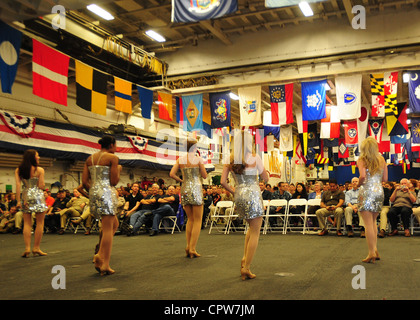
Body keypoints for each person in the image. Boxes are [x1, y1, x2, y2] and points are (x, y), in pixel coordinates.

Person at [221, 130, 269, 281]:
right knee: (255, 231)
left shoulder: (230, 159)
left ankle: (244, 259)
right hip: (253, 194)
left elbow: (222, 182)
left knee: (250, 228)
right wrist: (263, 175)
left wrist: (234, 190)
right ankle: (246, 268)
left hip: (239, 195)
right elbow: (265, 178)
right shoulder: (255, 157)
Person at [82, 135, 121, 276]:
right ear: (111, 144)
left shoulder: (89, 159)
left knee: (114, 224)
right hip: (107, 192)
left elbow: (84, 181)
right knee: (108, 229)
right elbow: (114, 181)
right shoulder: (112, 158)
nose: (116, 148)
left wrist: (94, 191)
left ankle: (101, 254)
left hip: (93, 192)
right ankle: (104, 262)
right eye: (115, 145)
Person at [169, 138, 207, 258]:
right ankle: (192, 248)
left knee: (190, 219)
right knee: (197, 220)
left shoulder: (180, 160)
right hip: (196, 188)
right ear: (195, 147)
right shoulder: (198, 159)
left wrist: (181, 180)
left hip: (185, 188)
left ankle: (188, 246)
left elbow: (171, 174)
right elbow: (205, 175)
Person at [357, 137, 388, 263]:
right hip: (379, 191)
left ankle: (371, 253)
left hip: (367, 192)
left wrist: (358, 184)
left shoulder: (362, 160)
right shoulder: (382, 160)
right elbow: (385, 179)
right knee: (374, 222)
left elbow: (363, 176)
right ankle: (374, 249)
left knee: (368, 224)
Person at [15, 149, 48, 258]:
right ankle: (36, 247)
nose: (39, 157)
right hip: (38, 196)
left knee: (27, 223)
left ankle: (27, 248)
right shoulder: (40, 170)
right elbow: (41, 186)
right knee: (40, 223)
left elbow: (18, 186)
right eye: (37, 156)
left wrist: (18, 201)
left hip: (26, 196)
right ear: (33, 157)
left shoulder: (19, 170)